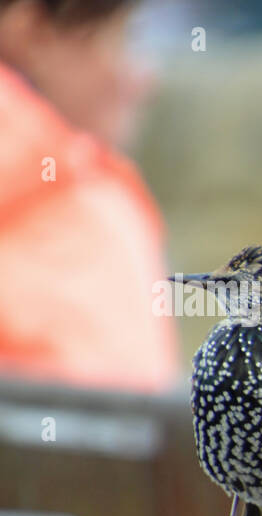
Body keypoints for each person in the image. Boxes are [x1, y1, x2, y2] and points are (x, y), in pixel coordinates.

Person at [0, 0, 179, 392]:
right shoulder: (81, 210)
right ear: (31, 32)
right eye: (124, 37)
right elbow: (120, 436)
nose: (144, 78)